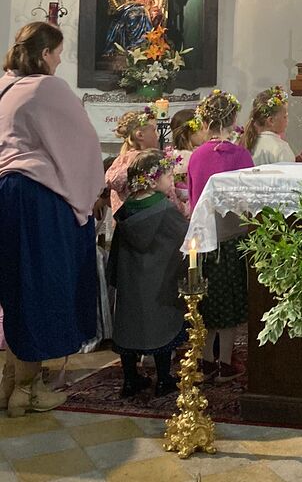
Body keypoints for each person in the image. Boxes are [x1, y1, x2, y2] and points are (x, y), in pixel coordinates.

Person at [0, 22, 103, 416]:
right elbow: (83, 146)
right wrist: (87, 199)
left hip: (6, 193)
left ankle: (10, 383)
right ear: (44, 53)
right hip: (38, 199)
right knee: (41, 290)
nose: (59, 61)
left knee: (15, 289)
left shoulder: (5, 87)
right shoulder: (47, 88)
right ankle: (28, 389)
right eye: (58, 53)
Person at [108, 150, 188, 398]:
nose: (172, 181)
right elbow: (185, 238)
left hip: (131, 284)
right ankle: (163, 379)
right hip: (160, 282)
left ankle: (130, 380)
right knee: (162, 328)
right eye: (169, 176)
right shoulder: (165, 209)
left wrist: (115, 278)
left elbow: (116, 249)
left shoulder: (125, 210)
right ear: (152, 180)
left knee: (129, 328)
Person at [188, 89, 253, 382]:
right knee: (230, 303)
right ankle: (225, 363)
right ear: (234, 119)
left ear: (204, 121)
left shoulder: (197, 156)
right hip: (232, 237)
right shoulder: (241, 155)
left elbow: (194, 199)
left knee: (207, 301)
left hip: (203, 239)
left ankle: (204, 361)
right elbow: (250, 200)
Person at [106, 107, 182, 216]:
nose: (158, 135)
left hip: (126, 223)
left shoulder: (121, 160)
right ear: (140, 135)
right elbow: (170, 195)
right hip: (154, 220)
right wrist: (184, 210)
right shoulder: (149, 162)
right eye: (154, 130)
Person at [244, 86, 302, 165]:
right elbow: (289, 171)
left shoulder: (249, 143)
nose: (287, 120)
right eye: (285, 116)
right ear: (271, 121)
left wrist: (300, 159)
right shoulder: (280, 148)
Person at [166, 108, 207, 212]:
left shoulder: (170, 154)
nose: (205, 132)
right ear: (187, 134)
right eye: (201, 129)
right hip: (190, 206)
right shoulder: (190, 157)